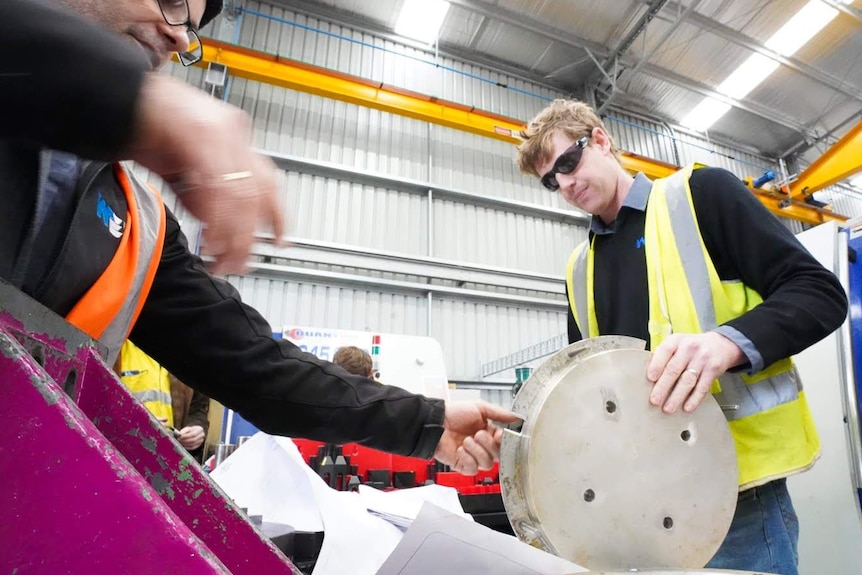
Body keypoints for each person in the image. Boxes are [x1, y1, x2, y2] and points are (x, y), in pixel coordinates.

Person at [1, 0, 515, 478]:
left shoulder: (141, 227)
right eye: (173, 1)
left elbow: (257, 367)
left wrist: (428, 422)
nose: (180, 38)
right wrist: (123, 98)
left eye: (192, 27)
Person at [515, 99, 847, 575]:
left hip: (736, 503)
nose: (566, 184)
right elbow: (584, 391)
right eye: (552, 180)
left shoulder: (700, 197)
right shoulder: (579, 269)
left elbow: (819, 293)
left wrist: (725, 344)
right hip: (634, 510)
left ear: (602, 140)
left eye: (569, 162)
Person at [115, 340, 211, 462]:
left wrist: (196, 428)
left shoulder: (182, 353)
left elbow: (198, 406)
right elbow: (95, 403)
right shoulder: (114, 348)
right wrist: (135, 420)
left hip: (168, 459)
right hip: (121, 456)